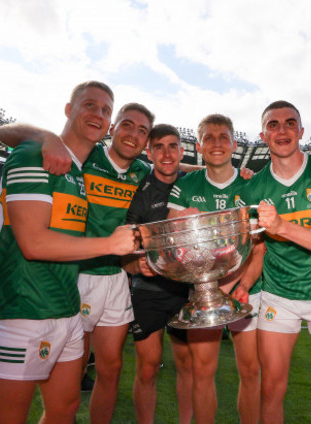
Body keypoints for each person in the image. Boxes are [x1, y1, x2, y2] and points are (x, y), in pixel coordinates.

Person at [0, 81, 138, 424]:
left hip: (68, 309)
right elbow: (34, 244)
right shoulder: (33, 153)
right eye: (89, 105)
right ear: (69, 109)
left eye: (105, 110)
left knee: (65, 410)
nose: (98, 114)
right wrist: (113, 245)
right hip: (22, 310)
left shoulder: (80, 173)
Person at [241, 101, 311, 424]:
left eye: (290, 123)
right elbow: (258, 249)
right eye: (273, 125)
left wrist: (282, 227)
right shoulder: (253, 187)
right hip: (279, 297)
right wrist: (244, 285)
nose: (282, 130)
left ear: (301, 132)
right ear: (263, 135)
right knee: (272, 390)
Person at [166, 114, 264, 424]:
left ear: (234, 144)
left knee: (250, 369)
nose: (217, 142)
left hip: (247, 288)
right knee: (202, 371)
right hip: (203, 292)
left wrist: (243, 284)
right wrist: (181, 225)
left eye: (224, 137)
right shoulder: (186, 187)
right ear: (199, 145)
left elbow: (260, 245)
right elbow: (172, 243)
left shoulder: (253, 184)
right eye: (209, 137)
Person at [121, 124, 194, 424]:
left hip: (187, 291)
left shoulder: (194, 184)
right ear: (149, 152)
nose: (167, 153)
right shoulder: (139, 191)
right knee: (148, 367)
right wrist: (135, 265)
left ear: (181, 150)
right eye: (159, 147)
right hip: (148, 291)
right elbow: (125, 246)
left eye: (173, 146)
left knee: (187, 365)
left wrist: (242, 172)